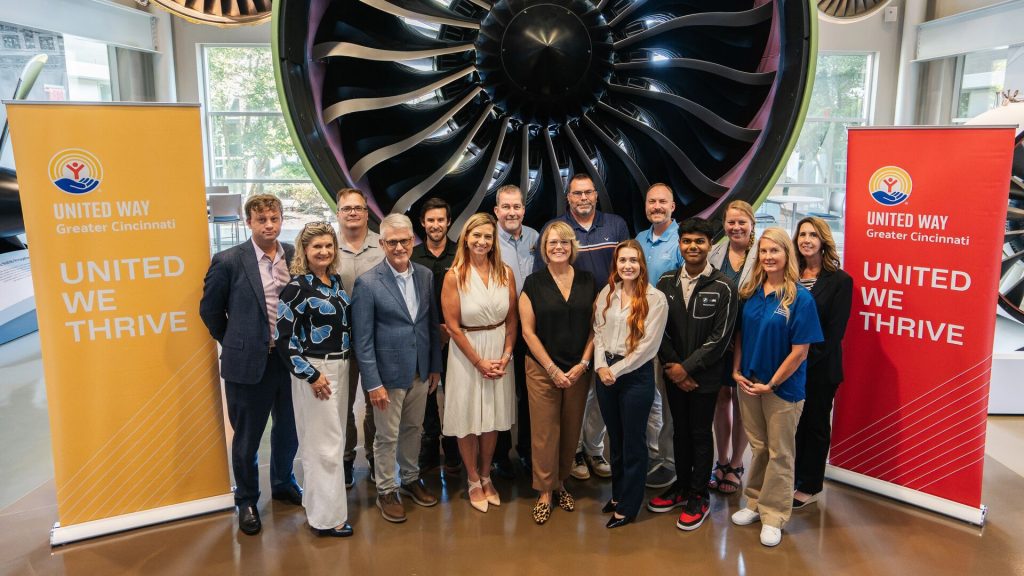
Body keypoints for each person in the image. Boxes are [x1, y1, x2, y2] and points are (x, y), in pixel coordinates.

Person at [199, 194, 301, 536]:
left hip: (289, 363)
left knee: (289, 429)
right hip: (248, 365)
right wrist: (234, 340)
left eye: (274, 218)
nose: (269, 225)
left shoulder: (293, 254)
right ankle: (246, 500)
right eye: (262, 220)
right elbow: (210, 310)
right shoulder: (228, 260)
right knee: (247, 438)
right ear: (249, 223)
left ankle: (284, 483)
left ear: (281, 219)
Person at [729, 227, 823, 547]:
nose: (768, 257)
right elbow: (741, 335)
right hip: (749, 383)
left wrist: (772, 383)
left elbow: (800, 351)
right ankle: (754, 502)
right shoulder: (753, 292)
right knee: (758, 448)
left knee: (780, 452)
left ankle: (774, 515)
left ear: (787, 255)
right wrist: (736, 369)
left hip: (782, 390)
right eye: (764, 252)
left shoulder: (801, 298)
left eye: (775, 251)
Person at [646, 218, 738, 532]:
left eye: (699, 241)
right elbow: (659, 331)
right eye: (687, 241)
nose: (692, 247)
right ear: (680, 245)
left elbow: (721, 337)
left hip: (704, 377)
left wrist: (688, 368)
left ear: (710, 246)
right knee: (679, 432)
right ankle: (682, 487)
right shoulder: (666, 282)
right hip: (673, 374)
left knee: (700, 433)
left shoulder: (724, 286)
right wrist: (674, 367)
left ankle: (699, 494)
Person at [352, 214, 442, 523]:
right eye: (393, 242)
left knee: (414, 429)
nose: (400, 247)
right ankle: (386, 489)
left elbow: (430, 325)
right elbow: (362, 340)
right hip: (387, 375)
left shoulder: (425, 276)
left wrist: (434, 367)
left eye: (405, 241)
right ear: (382, 244)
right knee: (386, 436)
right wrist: (372, 383)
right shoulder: (368, 282)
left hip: (420, 370)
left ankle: (410, 478)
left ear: (413, 240)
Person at [539, 173, 629, 481]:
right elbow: (545, 276)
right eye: (576, 194)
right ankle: (574, 451)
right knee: (574, 393)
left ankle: (594, 449)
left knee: (600, 391)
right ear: (568, 198)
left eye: (588, 193)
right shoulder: (557, 229)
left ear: (596, 195)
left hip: (609, 322)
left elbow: (627, 268)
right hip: (572, 327)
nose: (583, 199)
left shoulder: (616, 226)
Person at [274, 221, 353, 537]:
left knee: (333, 441)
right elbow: (284, 339)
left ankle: (317, 504)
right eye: (317, 246)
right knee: (325, 447)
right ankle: (326, 519)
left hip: (341, 365)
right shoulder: (296, 288)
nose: (324, 251)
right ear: (304, 251)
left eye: (328, 245)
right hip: (317, 371)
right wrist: (311, 375)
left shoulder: (334, 283)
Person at [519, 221, 596, 524]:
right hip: (541, 368)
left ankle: (561, 482)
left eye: (564, 242)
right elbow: (527, 331)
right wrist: (551, 368)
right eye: (552, 243)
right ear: (544, 248)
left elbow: (595, 328)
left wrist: (582, 365)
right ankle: (544, 491)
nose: (558, 247)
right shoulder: (533, 282)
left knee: (570, 428)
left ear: (572, 246)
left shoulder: (589, 281)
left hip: (578, 368)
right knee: (544, 431)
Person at [441, 213, 518, 513]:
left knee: (493, 417)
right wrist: (478, 362)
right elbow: (452, 326)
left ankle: (487, 474)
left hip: (499, 351)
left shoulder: (506, 273)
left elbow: (512, 320)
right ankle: (472, 478)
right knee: (468, 417)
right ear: (466, 238)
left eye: (488, 236)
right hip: (467, 353)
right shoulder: (454, 275)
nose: (482, 241)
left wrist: (506, 355)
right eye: (477, 236)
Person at [593, 240, 668, 528]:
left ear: (641, 265)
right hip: (606, 373)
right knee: (615, 437)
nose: (628, 265)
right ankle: (617, 494)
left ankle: (629, 505)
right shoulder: (607, 292)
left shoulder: (655, 298)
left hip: (635, 375)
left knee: (634, 440)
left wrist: (617, 369)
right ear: (616, 264)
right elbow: (598, 330)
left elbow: (648, 347)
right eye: (623, 260)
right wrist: (601, 365)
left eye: (633, 261)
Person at [791, 217, 853, 510]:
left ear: (823, 240)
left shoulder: (840, 281)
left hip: (819, 368)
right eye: (802, 234)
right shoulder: (790, 275)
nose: (806, 239)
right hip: (789, 365)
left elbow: (833, 333)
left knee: (814, 425)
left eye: (812, 234)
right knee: (793, 425)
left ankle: (810, 483)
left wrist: (803, 361)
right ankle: (794, 475)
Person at [635, 183, 684, 490]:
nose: (656, 206)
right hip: (640, 335)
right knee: (644, 398)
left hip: (669, 337)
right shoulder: (639, 240)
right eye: (651, 201)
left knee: (669, 404)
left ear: (672, 206)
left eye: (662, 202)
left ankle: (669, 461)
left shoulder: (681, 242)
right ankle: (648, 455)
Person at [707, 200, 758, 495]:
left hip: (749, 339)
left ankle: (737, 463)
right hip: (720, 339)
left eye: (741, 222)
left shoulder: (762, 253)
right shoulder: (715, 252)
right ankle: (721, 460)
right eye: (731, 222)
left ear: (751, 223)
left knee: (743, 402)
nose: (736, 227)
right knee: (720, 398)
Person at [335, 188, 385, 487]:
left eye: (358, 208)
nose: (353, 213)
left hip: (375, 341)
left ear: (367, 213)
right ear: (338, 213)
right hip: (338, 342)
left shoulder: (382, 247)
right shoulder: (327, 247)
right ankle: (345, 460)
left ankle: (376, 459)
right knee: (341, 405)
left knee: (375, 403)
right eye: (347, 209)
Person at [411, 198, 461, 475]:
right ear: (423, 223)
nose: (435, 225)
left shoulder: (460, 254)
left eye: (440, 220)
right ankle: (429, 444)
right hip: (424, 337)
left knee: (454, 391)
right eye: (430, 220)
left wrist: (450, 328)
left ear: (448, 222)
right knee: (427, 392)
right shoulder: (413, 255)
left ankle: (452, 445)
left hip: (455, 337)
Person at [495, 184, 539, 476]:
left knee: (528, 393)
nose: (512, 212)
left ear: (523, 209)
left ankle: (525, 450)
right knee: (500, 392)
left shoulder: (536, 237)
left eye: (517, 207)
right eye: (506, 207)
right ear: (496, 211)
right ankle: (499, 454)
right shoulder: (487, 240)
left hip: (531, 328)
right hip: (499, 328)